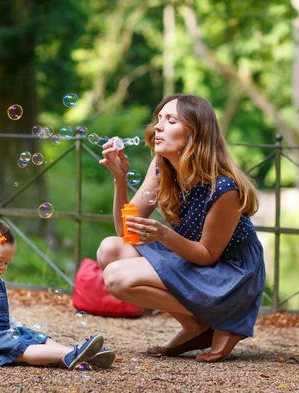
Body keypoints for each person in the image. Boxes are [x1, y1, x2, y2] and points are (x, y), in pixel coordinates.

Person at [97, 94, 266, 362]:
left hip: (227, 272)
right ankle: (196, 326)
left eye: (171, 120)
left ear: (193, 134)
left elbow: (208, 254)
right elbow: (124, 232)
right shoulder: (161, 167)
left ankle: (226, 317)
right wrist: (120, 179)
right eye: (159, 119)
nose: (158, 127)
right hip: (191, 257)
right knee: (109, 249)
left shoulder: (224, 188)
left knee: (116, 277)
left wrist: (164, 234)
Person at [0, 216, 116, 369]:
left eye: (7, 263)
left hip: (1, 335)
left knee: (33, 336)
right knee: (21, 349)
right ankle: (68, 354)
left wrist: (18, 327)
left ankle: (74, 353)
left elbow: (3, 318)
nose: (3, 267)